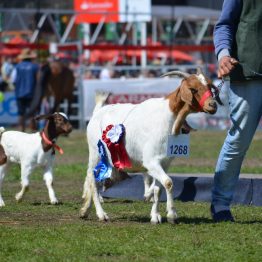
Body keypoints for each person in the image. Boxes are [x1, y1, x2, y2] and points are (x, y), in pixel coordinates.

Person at [211, 0, 262, 222]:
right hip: (247, 72)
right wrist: (223, 54)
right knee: (239, 140)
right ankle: (220, 204)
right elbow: (224, 24)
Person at [11, 48, 39, 131]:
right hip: (32, 93)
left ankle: (22, 129)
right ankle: (33, 130)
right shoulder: (35, 67)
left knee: (21, 113)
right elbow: (38, 81)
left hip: (19, 93)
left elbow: (13, 80)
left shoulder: (17, 67)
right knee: (32, 113)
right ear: (31, 57)